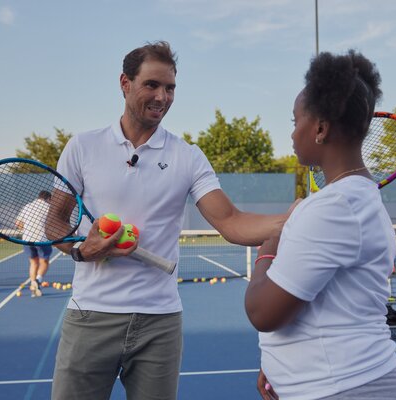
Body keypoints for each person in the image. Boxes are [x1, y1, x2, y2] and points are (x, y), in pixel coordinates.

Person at [47, 41, 288, 400]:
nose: (162, 96)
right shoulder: (82, 147)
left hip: (159, 323)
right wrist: (84, 249)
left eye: (170, 88)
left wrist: (293, 220)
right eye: (152, 85)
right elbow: (55, 223)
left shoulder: (187, 156)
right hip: (91, 317)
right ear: (125, 83)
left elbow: (232, 221)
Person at [244, 50, 396, 400]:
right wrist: (276, 362)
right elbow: (326, 304)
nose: (292, 135)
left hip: (346, 387)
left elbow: (263, 313)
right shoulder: (352, 200)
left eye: (295, 122)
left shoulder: (335, 208)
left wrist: (267, 250)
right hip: (337, 383)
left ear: (320, 128)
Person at [15, 190, 53, 297]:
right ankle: (38, 280)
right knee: (44, 262)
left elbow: (18, 223)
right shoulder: (49, 207)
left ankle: (33, 286)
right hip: (42, 239)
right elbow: (53, 224)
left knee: (33, 263)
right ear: (48, 199)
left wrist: (28, 230)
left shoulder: (27, 206)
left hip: (27, 239)